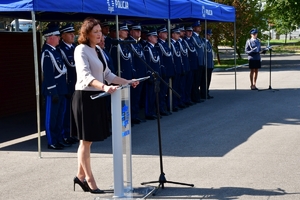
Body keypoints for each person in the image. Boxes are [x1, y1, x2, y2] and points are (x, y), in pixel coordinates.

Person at [71, 17, 138, 194]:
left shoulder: (99, 50)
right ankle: (89, 180)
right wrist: (104, 87)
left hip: (99, 95)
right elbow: (85, 76)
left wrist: (128, 81)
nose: (100, 35)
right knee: (85, 142)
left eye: (100, 31)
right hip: (86, 97)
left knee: (88, 141)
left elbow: (108, 74)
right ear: (86, 34)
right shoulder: (81, 50)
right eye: (96, 32)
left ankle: (79, 176)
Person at [41, 22, 69, 150]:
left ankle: (58, 139)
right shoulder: (47, 53)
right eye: (57, 36)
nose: (59, 38)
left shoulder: (55, 51)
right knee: (51, 118)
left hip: (61, 89)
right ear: (50, 37)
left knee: (59, 117)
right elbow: (48, 74)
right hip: (53, 90)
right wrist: (53, 91)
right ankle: (51, 141)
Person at [58, 23, 78, 144]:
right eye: (70, 34)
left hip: (76, 83)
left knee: (73, 111)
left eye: (73, 33)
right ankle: (65, 134)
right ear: (63, 36)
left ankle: (71, 133)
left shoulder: (74, 47)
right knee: (65, 113)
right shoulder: (61, 49)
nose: (72, 35)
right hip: (68, 84)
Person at [128, 23, 147, 124]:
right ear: (131, 32)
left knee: (137, 97)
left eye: (139, 31)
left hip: (141, 74)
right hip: (135, 75)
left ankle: (135, 115)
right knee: (133, 97)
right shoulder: (129, 43)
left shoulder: (137, 43)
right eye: (136, 30)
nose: (139, 32)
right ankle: (132, 117)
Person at [156, 25, 174, 115]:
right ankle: (161, 109)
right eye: (164, 32)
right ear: (160, 34)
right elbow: (161, 59)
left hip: (168, 70)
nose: (167, 34)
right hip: (164, 71)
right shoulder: (159, 44)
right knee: (162, 92)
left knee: (165, 91)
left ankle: (164, 107)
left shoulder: (164, 43)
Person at [143, 29, 161, 120]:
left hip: (156, 74)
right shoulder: (147, 48)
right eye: (154, 36)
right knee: (149, 95)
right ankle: (148, 112)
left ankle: (153, 111)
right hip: (151, 75)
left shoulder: (154, 48)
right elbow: (147, 63)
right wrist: (149, 74)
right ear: (149, 38)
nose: (156, 38)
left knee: (154, 94)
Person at [184, 25, 198, 106]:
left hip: (192, 65)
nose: (190, 33)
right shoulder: (185, 41)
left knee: (190, 83)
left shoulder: (191, 40)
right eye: (188, 31)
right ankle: (186, 99)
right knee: (186, 84)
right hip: (189, 65)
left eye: (191, 31)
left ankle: (189, 98)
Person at [191, 20, 205, 103]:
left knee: (199, 79)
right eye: (198, 26)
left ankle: (197, 95)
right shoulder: (193, 37)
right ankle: (195, 97)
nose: (200, 27)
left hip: (201, 61)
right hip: (197, 61)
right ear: (194, 28)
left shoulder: (199, 37)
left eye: (200, 26)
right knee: (196, 80)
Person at [201, 29, 214, 99]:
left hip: (210, 64)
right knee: (205, 80)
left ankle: (207, 92)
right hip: (206, 64)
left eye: (209, 35)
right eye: (208, 35)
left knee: (208, 80)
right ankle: (204, 93)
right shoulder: (203, 42)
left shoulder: (208, 42)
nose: (209, 36)